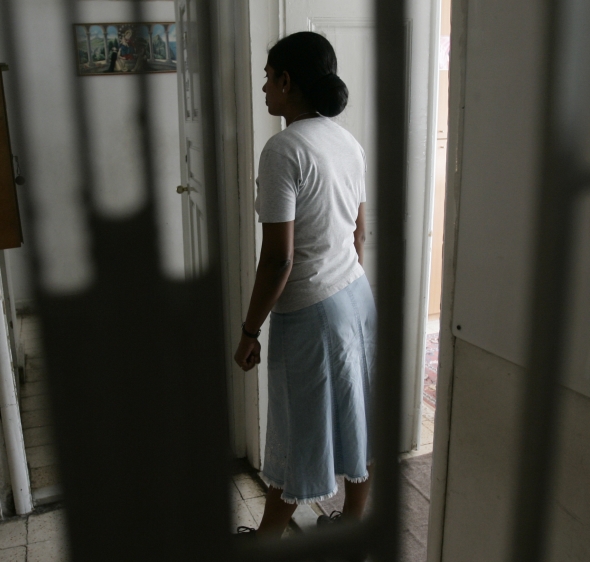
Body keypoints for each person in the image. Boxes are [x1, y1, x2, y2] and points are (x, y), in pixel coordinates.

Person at [233, 31, 375, 538]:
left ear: (287, 81)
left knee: (296, 434)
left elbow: (278, 260)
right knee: (356, 415)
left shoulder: (283, 149)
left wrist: (250, 330)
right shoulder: (346, 139)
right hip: (356, 297)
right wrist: (343, 279)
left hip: (312, 313)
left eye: (269, 78)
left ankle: (268, 540)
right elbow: (360, 233)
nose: (265, 89)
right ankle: (355, 523)